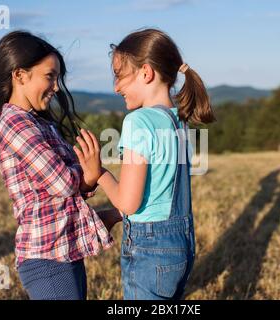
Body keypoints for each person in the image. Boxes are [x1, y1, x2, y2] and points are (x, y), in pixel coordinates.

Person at [75, 28, 215, 299]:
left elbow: (129, 203)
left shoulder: (139, 121)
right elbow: (161, 194)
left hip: (150, 251)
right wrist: (116, 216)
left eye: (119, 75)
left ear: (146, 73)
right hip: (182, 244)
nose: (115, 87)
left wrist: (99, 173)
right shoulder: (178, 122)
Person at [0, 30, 114, 300]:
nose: (56, 86)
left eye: (57, 77)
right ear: (19, 75)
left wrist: (88, 176)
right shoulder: (14, 123)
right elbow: (63, 182)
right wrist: (89, 172)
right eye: (49, 76)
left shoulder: (39, 123)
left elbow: (71, 184)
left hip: (62, 250)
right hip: (47, 259)